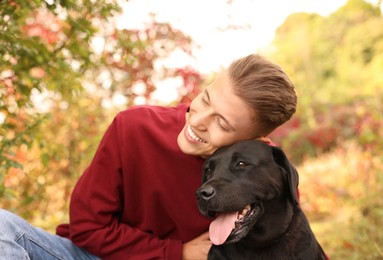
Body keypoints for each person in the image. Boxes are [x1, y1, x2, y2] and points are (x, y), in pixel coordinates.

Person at [0, 53, 297, 260]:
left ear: (255, 143)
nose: (197, 121)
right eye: (205, 99)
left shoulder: (266, 176)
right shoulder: (134, 127)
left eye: (222, 123)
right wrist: (176, 253)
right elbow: (87, 228)